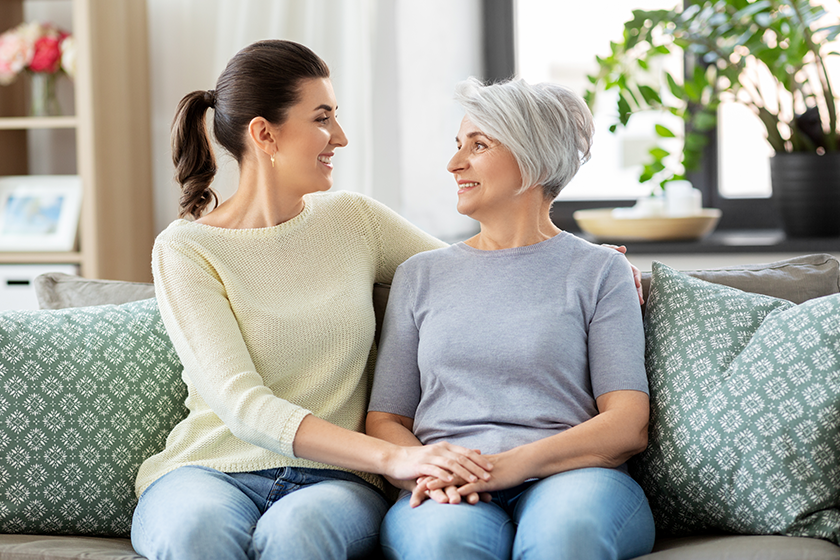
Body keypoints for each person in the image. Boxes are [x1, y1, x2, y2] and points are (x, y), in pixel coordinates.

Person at [130, 40, 495, 560]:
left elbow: (478, 273)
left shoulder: (354, 220)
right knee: (195, 533)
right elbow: (242, 406)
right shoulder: (186, 250)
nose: (340, 138)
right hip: (209, 470)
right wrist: (394, 458)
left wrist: (587, 265)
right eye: (322, 119)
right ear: (264, 134)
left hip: (335, 482)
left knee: (297, 535)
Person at [366, 78, 656, 560]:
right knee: (443, 545)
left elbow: (627, 423)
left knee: (565, 538)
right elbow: (387, 418)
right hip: (448, 481)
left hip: (574, 478)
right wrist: (426, 464)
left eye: (478, 145)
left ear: (534, 158)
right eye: (458, 145)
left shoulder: (599, 271)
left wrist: (506, 466)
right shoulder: (419, 275)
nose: (454, 163)